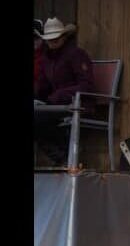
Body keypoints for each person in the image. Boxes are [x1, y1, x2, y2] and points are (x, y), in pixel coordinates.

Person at [34, 17, 93, 166]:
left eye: (56, 38)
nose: (52, 42)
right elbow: (44, 87)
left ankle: (63, 158)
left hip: (77, 105)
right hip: (56, 106)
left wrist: (59, 95)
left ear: (64, 37)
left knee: (39, 119)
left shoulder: (76, 54)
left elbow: (87, 85)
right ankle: (62, 157)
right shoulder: (47, 59)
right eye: (49, 39)